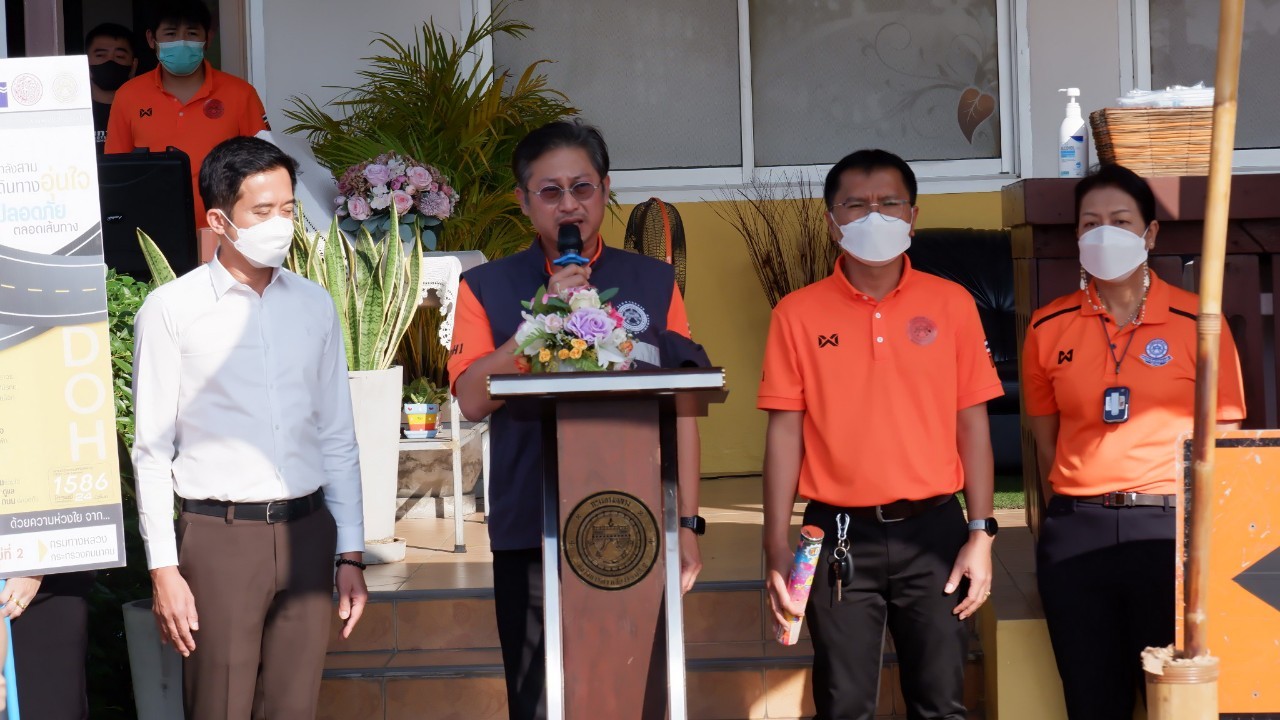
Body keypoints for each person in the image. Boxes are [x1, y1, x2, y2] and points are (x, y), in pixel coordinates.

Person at [448, 119, 706, 720]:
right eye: (551, 191)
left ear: (606, 190)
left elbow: (685, 405)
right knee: (538, 698)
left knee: (634, 690)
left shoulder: (653, 281)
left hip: (637, 521)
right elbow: (472, 399)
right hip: (529, 523)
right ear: (523, 200)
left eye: (583, 188)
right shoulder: (484, 287)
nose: (569, 205)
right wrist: (538, 322)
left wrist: (687, 523)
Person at [759, 149, 1001, 720]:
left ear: (913, 216)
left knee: (940, 704)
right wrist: (774, 543)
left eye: (889, 203)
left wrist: (981, 533)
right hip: (836, 534)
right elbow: (785, 434)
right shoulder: (796, 313)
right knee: (843, 706)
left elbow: (972, 424)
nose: (874, 216)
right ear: (831, 221)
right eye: (856, 205)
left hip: (935, 531)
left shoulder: (952, 303)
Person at [131, 136, 367, 719]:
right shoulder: (171, 309)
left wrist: (350, 553)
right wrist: (164, 568)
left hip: (309, 531)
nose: (280, 224)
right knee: (220, 706)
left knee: (295, 707)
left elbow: (337, 434)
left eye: (288, 209)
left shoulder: (314, 304)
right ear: (219, 220)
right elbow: (152, 450)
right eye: (262, 212)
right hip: (220, 538)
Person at [1022, 163, 1246, 720]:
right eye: (1090, 222)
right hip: (1077, 530)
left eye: (1121, 221)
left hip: (1169, 530)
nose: (1105, 233)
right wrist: (1068, 511)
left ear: (1150, 233)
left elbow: (1224, 441)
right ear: (1077, 236)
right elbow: (1047, 441)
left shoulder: (1200, 322)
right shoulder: (1047, 327)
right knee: (1091, 699)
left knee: (1176, 700)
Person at [105, 0, 269, 228]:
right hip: (152, 230)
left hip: (228, 231)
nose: (181, 42)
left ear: (208, 38)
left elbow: (265, 169)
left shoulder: (241, 93)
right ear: (151, 39)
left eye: (191, 33)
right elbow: (115, 171)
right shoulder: (128, 95)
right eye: (170, 34)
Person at [84, 22, 138, 152]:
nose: (110, 61)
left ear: (133, 65)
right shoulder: (73, 113)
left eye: (119, 56)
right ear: (85, 62)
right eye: (100, 55)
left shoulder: (146, 111)